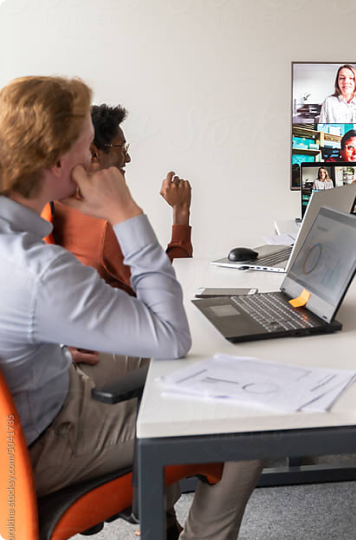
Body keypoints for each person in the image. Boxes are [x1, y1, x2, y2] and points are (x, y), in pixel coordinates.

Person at [0, 76, 260, 539]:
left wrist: (46, 350)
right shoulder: (37, 269)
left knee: (169, 379)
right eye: (86, 148)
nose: (94, 159)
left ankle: (159, 515)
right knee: (250, 425)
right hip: (44, 443)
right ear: (63, 161)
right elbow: (171, 337)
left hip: (36, 402)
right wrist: (127, 213)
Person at [45, 104, 195, 298]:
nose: (128, 158)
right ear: (94, 153)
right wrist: (180, 211)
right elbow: (168, 286)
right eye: (121, 147)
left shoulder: (50, 205)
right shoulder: (108, 223)